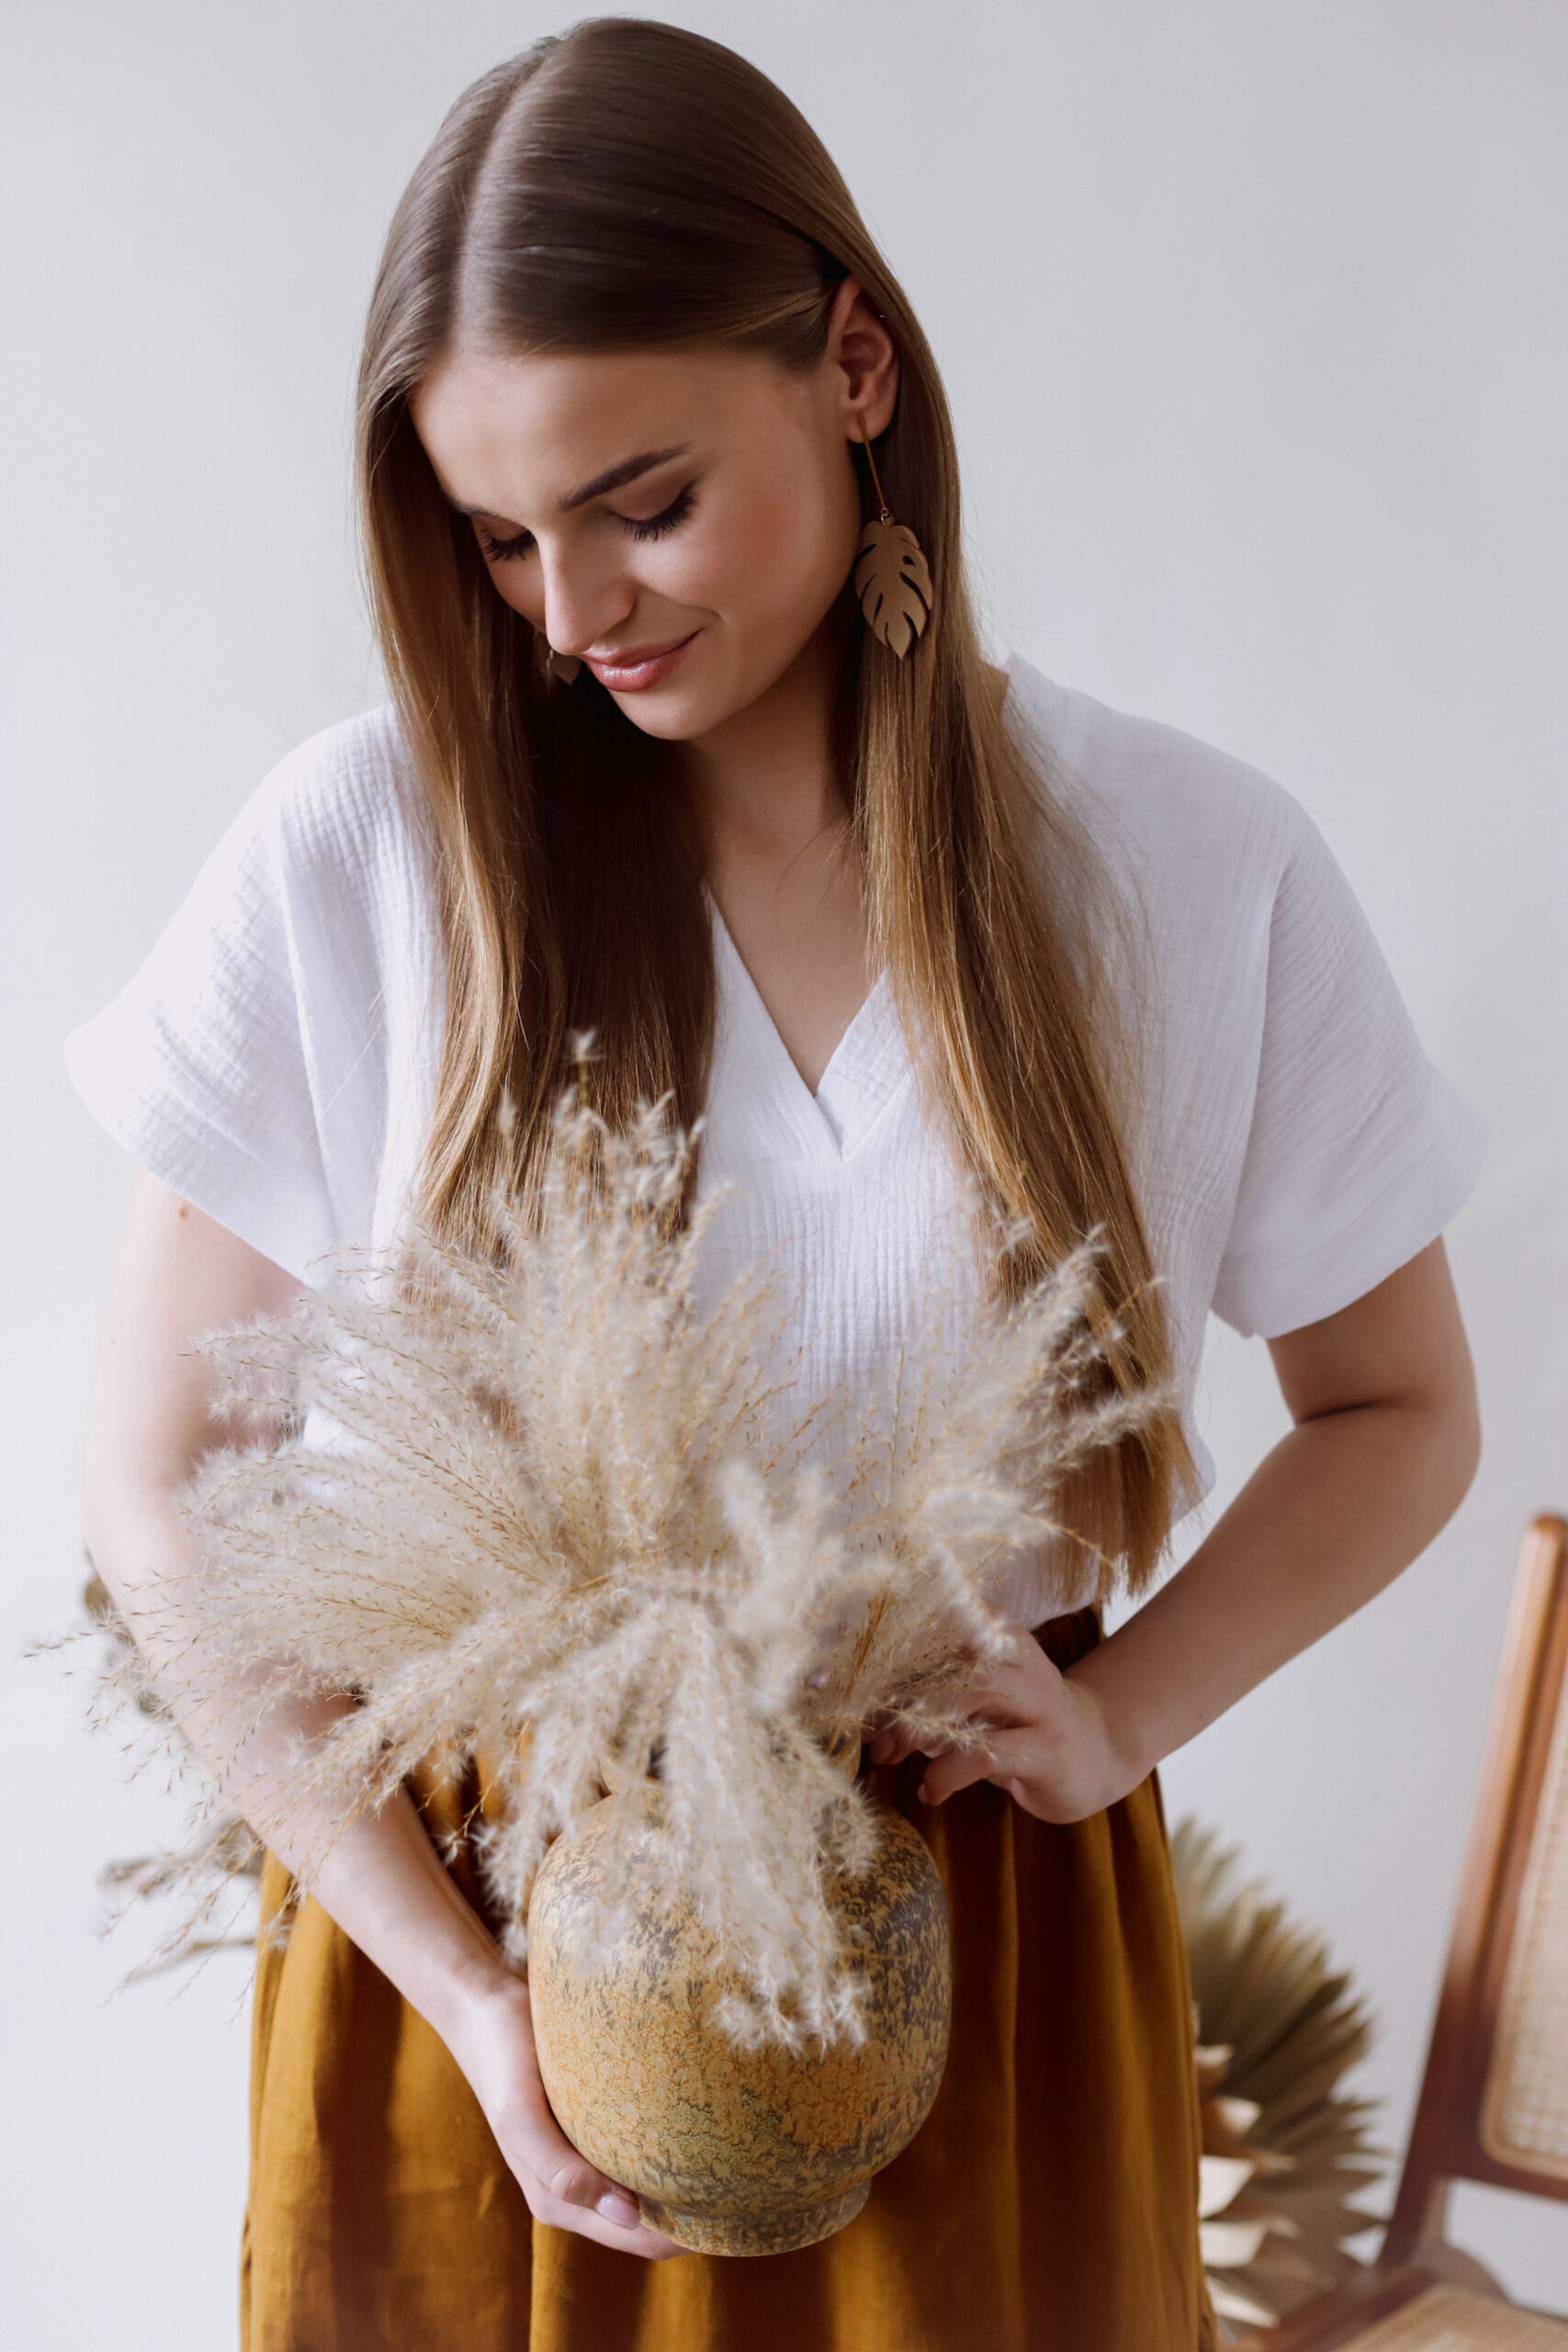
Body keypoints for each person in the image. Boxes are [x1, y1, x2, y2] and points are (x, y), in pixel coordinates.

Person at [70, 19, 1485, 2352]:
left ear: (851, 365)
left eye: (638, 501)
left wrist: (1124, 1712)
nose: (566, 613)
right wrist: (461, 1986)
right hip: (486, 1961)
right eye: (495, 536)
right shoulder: (361, 852)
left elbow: (1399, 1404)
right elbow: (158, 1489)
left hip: (972, 1967)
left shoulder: (1187, 869)